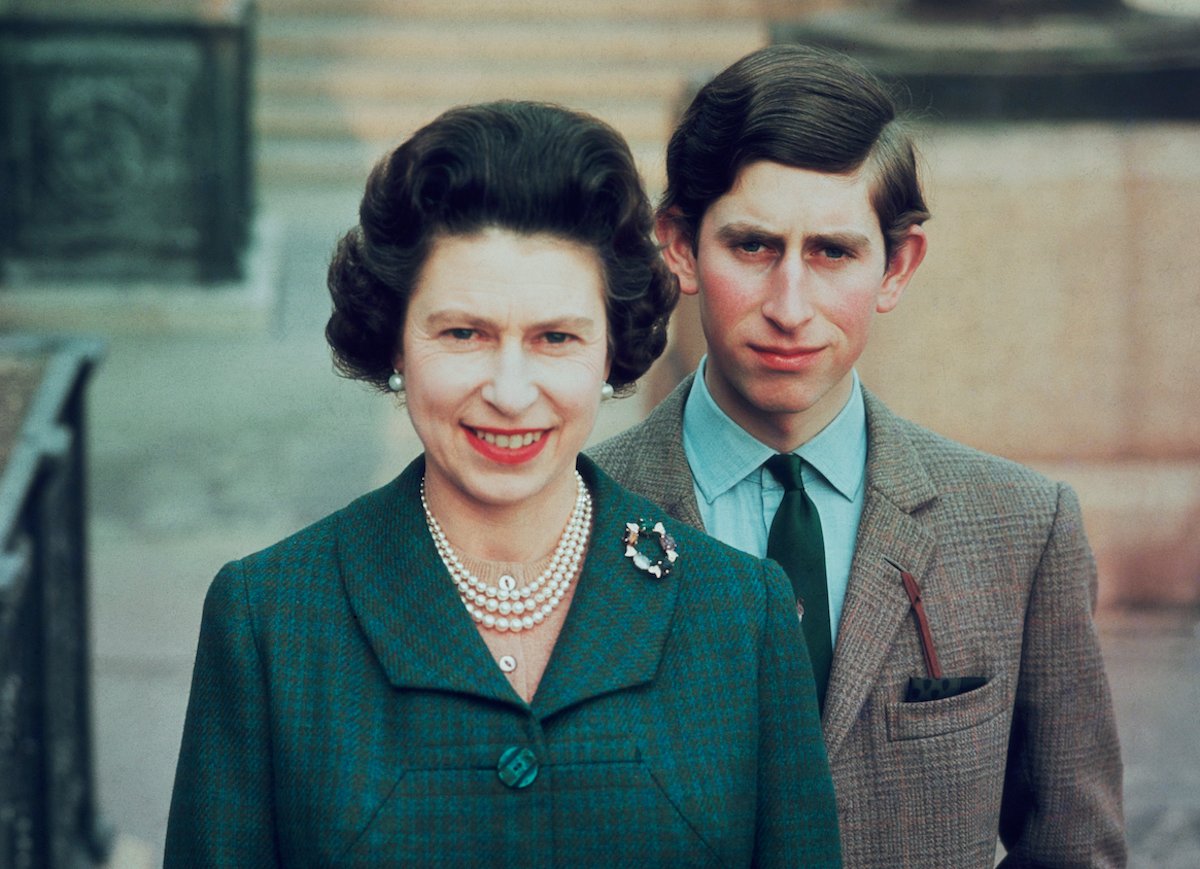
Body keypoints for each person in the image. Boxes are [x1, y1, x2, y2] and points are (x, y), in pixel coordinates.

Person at [164, 100, 841, 867]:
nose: (511, 391)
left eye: (555, 338)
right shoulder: (270, 619)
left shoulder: (740, 615)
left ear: (611, 347)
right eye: (464, 333)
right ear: (395, 340)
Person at [591, 45, 1125, 867]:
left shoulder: (1021, 526)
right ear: (679, 247)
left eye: (833, 252)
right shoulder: (575, 517)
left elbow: (1074, 846)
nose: (790, 307)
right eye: (754, 247)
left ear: (897, 264)